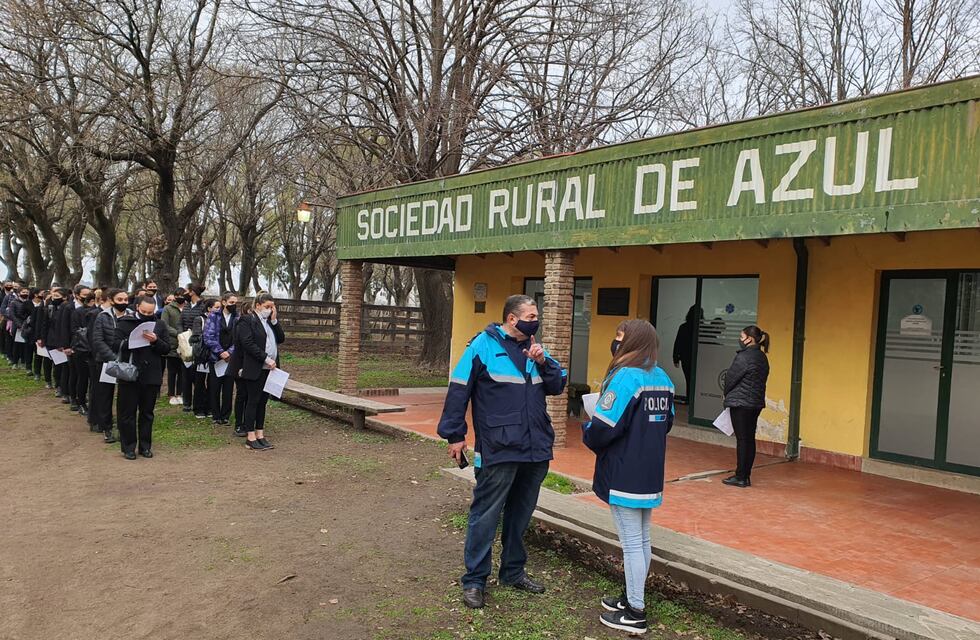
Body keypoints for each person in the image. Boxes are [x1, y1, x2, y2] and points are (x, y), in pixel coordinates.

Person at [437, 294, 567, 610]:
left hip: (535, 448)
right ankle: (475, 581)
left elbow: (558, 384)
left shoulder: (537, 349)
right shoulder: (482, 345)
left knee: (520, 514)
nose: (536, 319)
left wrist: (543, 361)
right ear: (512, 318)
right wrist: (455, 435)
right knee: (486, 514)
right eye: (532, 314)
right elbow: (458, 389)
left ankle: (512, 572)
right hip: (499, 447)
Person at [583, 319, 674, 635]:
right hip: (650, 472)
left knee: (632, 542)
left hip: (624, 471)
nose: (615, 344)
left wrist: (587, 430)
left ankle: (636, 612)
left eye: (619, 339)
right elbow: (668, 423)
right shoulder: (663, 378)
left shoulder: (624, 378)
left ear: (633, 343)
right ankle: (630, 597)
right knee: (643, 538)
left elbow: (603, 427)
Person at [114, 296, 170, 460]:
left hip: (151, 375)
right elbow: (115, 343)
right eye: (144, 311)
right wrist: (131, 342)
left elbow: (166, 348)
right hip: (130, 374)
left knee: (147, 413)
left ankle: (145, 446)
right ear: (137, 307)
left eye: (150, 312)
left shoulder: (159, 324)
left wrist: (155, 341)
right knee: (128, 413)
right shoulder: (125, 322)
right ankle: (128, 447)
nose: (147, 314)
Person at [233, 293, 284, 450]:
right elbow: (247, 343)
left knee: (263, 401)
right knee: (253, 401)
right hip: (255, 367)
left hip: (270, 370)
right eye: (267, 307)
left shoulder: (269, 322)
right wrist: (266, 358)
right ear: (258, 306)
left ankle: (260, 433)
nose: (270, 310)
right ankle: (250, 435)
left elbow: (280, 339)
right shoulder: (247, 320)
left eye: (272, 307)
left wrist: (274, 320)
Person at [721, 325, 771, 488]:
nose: (740, 340)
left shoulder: (743, 357)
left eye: (742, 337)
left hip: (740, 403)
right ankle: (745, 474)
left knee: (742, 440)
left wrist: (726, 394)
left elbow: (731, 378)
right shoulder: (762, 357)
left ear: (749, 339)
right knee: (749, 439)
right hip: (755, 403)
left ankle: (741, 476)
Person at [90, 289, 131, 444]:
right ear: (112, 300)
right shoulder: (102, 316)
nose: (123, 302)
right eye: (119, 299)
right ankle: (106, 427)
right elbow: (98, 340)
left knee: (125, 397)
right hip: (106, 361)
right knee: (105, 395)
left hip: (126, 362)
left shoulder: (131, 316)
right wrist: (113, 358)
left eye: (126, 299)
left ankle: (123, 427)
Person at [204, 292, 238, 426]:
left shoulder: (237, 317)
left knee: (228, 387)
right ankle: (215, 414)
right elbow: (208, 336)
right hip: (215, 357)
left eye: (235, 303)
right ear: (224, 302)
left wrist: (230, 352)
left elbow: (239, 338)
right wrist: (220, 352)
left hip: (231, 358)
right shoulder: (213, 316)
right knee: (214, 386)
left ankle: (225, 415)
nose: (233, 306)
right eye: (231, 303)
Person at [180, 283, 209, 416]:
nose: (184, 293)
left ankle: (201, 401)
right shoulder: (186, 306)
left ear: (192, 292)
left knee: (197, 376)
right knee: (185, 373)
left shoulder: (202, 306)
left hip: (197, 342)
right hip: (185, 341)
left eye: (186, 290)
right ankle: (187, 402)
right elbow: (181, 321)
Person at [70, 291, 98, 416]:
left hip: (91, 350)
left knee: (88, 379)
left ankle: (88, 403)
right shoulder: (79, 312)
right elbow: (75, 330)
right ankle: (80, 402)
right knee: (83, 378)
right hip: (82, 349)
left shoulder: (98, 312)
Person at [672, 305, 702, 402]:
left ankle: (690, 399)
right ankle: (697, 401)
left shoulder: (684, 327)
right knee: (698, 380)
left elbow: (678, 343)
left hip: (686, 357)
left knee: (689, 379)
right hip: (700, 358)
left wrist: (675, 358)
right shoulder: (702, 327)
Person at [162, 289, 186, 405]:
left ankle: (179, 393)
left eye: (183, 295)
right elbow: (164, 325)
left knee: (182, 371)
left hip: (185, 344)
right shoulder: (168, 309)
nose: (181, 297)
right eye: (178, 295)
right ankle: (171, 394)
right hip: (172, 343)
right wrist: (178, 333)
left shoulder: (187, 308)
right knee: (172, 371)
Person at [9, 286, 31, 369]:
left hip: (27, 326)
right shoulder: (14, 302)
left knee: (25, 345)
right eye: (23, 292)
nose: (25, 294)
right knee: (17, 345)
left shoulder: (29, 302)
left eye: (26, 292)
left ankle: (23, 361)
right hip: (17, 327)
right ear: (18, 293)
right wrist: (19, 325)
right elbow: (12, 315)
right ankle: (15, 362)